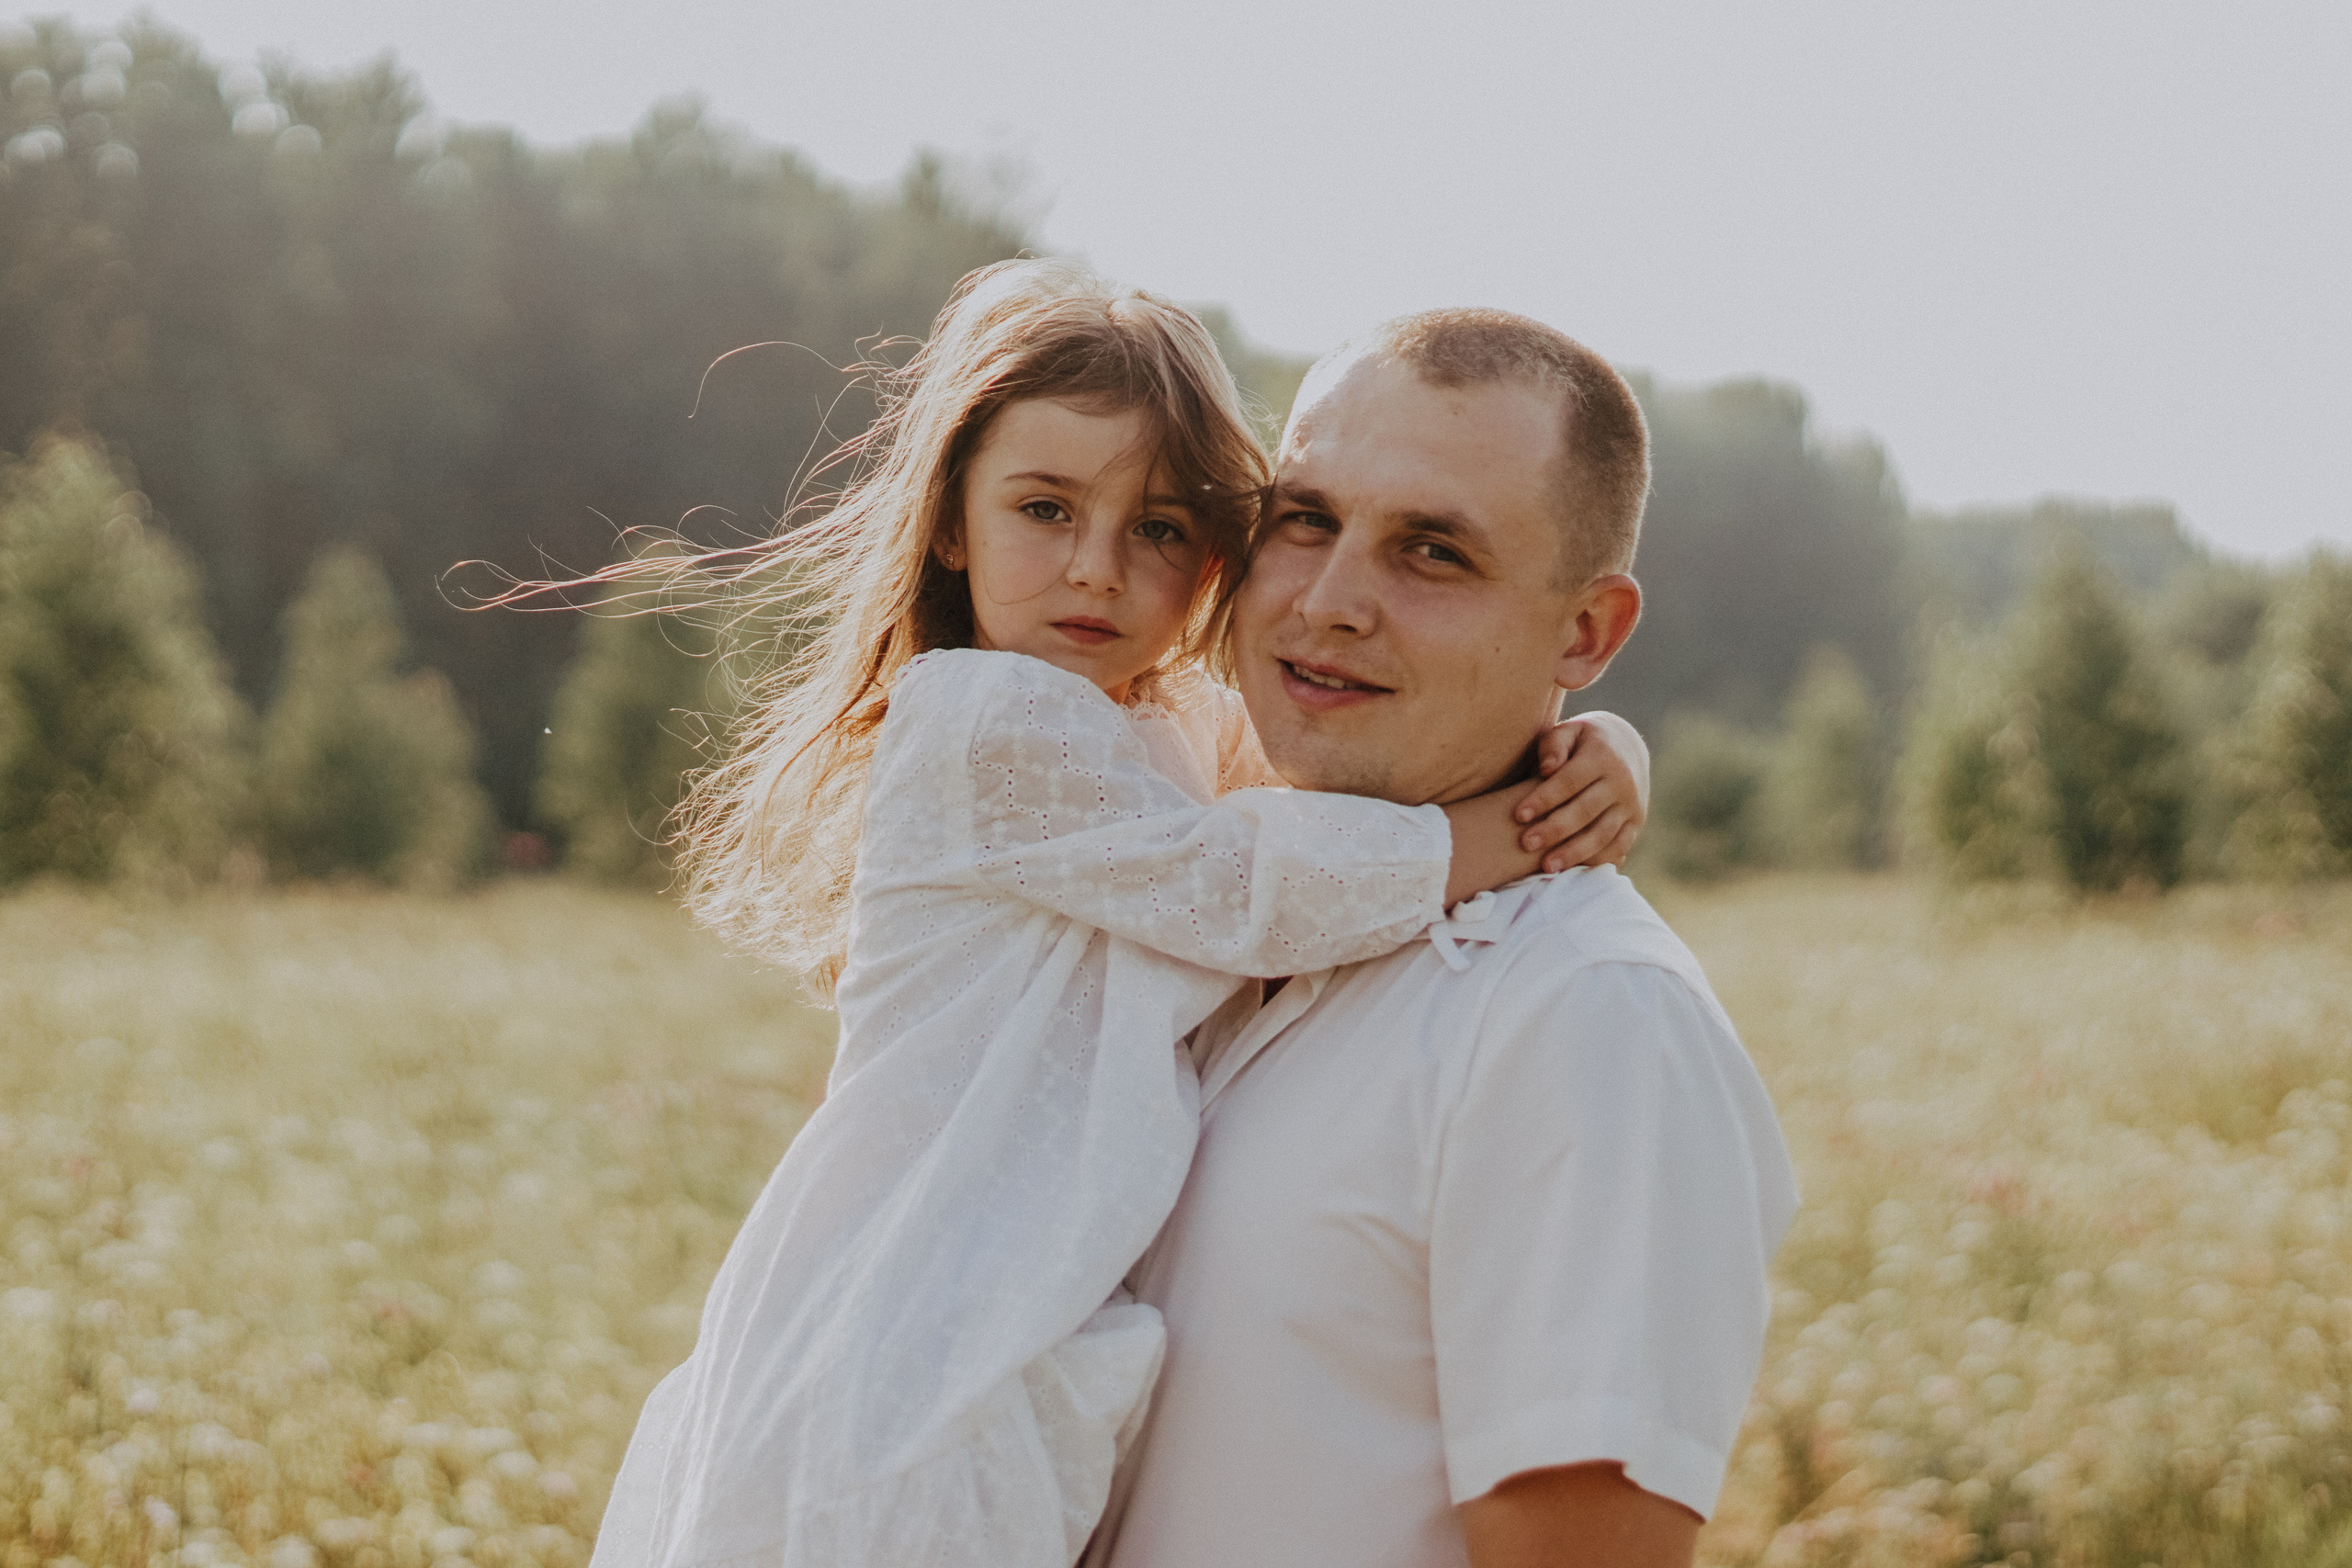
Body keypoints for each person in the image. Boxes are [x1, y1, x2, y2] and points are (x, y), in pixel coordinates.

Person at [584, 261, 1654, 1568]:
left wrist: (1594, 743)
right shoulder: (982, 725)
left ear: (1213, 555)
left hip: (1009, 1335)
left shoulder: (1159, 729)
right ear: (952, 524)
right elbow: (1245, 886)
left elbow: (1322, 797)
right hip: (909, 1343)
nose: (1095, 570)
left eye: (1158, 530)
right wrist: (1510, 831)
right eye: (1045, 508)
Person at [1086, 310, 1800, 1568]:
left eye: (1432, 552)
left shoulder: (1589, 1023)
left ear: (1586, 634)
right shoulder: (1210, 901)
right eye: (1303, 519)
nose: (1329, 600)